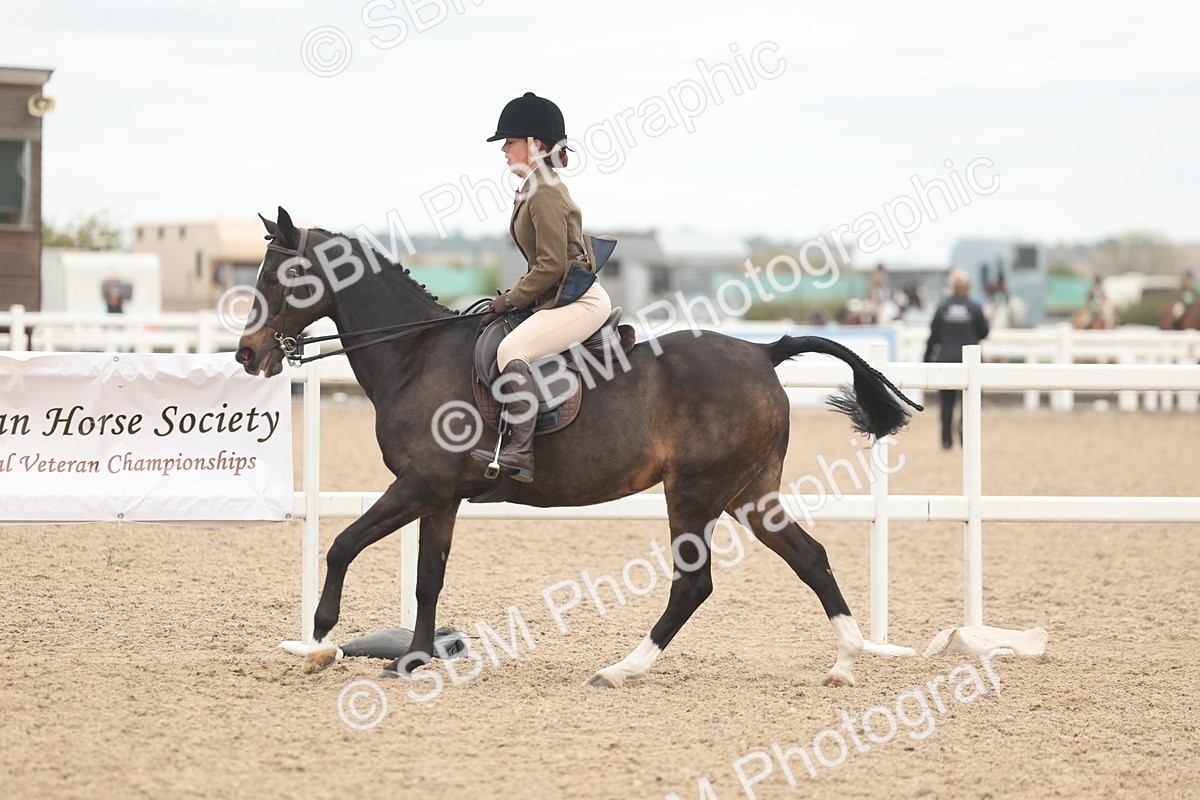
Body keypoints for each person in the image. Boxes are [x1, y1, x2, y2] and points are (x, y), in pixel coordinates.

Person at [469, 92, 611, 483]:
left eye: (510, 141)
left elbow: (550, 265)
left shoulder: (545, 191)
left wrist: (510, 299)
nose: (503, 149)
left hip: (580, 303)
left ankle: (521, 450)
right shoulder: (536, 187)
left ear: (535, 144)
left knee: (511, 348)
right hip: (556, 298)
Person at [924, 269, 989, 450]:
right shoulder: (975, 308)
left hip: (946, 358)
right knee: (971, 399)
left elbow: (933, 336)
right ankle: (963, 429)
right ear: (968, 287)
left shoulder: (942, 308)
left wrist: (926, 360)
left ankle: (946, 438)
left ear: (950, 287)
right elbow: (984, 332)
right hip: (970, 361)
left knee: (947, 401)